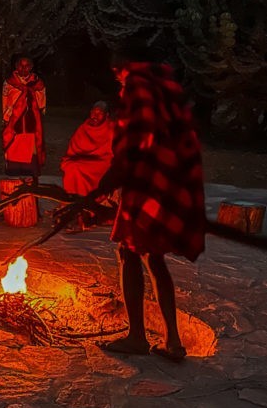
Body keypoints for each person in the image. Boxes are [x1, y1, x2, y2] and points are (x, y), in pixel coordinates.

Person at [55, 46, 205, 363]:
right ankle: (173, 341)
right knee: (155, 258)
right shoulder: (163, 97)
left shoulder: (138, 99)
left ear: (126, 69)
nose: (119, 82)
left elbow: (127, 156)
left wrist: (95, 193)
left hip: (144, 189)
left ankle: (137, 337)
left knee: (129, 252)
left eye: (118, 74)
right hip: (164, 188)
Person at [2, 55, 46, 178]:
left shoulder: (37, 82)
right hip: (14, 119)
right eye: (21, 65)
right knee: (14, 142)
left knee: (30, 143)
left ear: (31, 67)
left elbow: (41, 100)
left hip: (31, 119)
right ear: (16, 66)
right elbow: (5, 100)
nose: (24, 68)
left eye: (27, 66)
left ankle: (30, 169)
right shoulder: (9, 82)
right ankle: (14, 169)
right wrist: (7, 117)